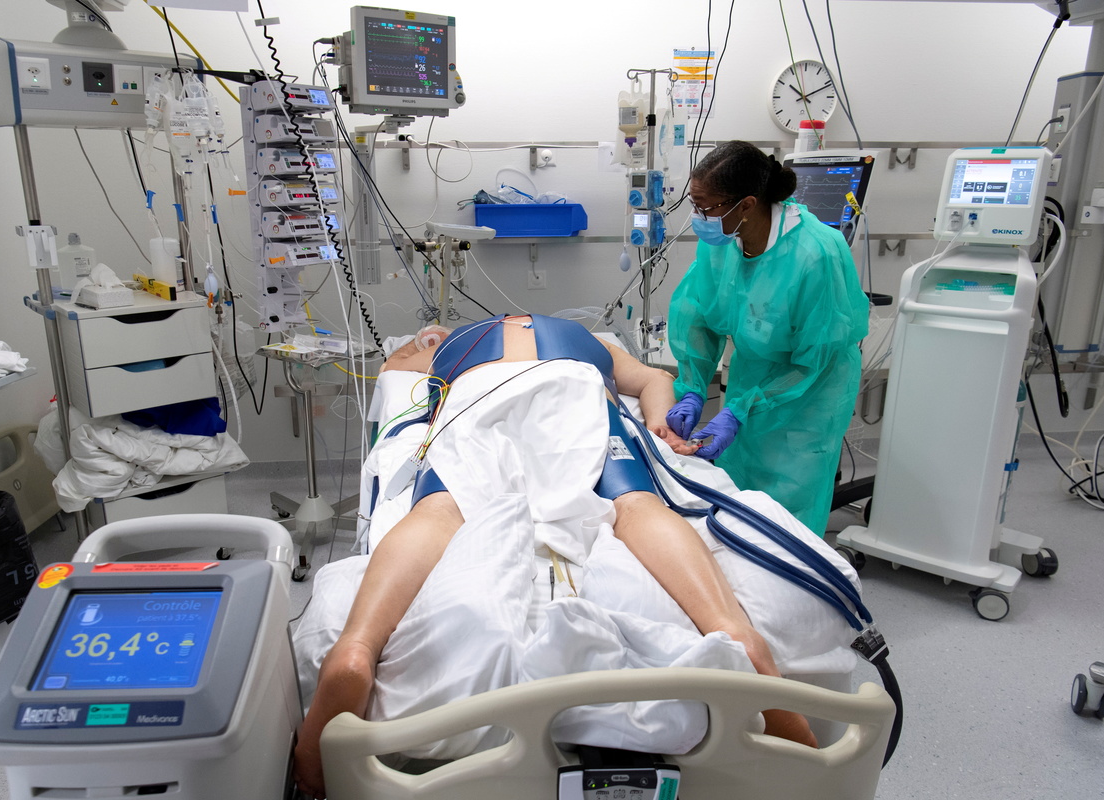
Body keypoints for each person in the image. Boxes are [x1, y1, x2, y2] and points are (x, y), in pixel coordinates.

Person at [292, 314, 817, 798]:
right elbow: (654, 380)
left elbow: (394, 371)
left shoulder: (460, 344)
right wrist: (659, 426)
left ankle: (356, 648)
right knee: (635, 505)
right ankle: (736, 634)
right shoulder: (588, 342)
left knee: (440, 510)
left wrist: (425, 341)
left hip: (476, 395)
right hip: (574, 387)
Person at [667, 140, 869, 536]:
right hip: (754, 375)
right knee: (739, 487)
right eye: (694, 205)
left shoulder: (816, 254)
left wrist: (741, 411)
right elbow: (698, 315)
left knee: (788, 504)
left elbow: (814, 359)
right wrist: (692, 387)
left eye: (705, 208)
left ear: (746, 204)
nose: (698, 218)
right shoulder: (724, 243)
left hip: (809, 391)